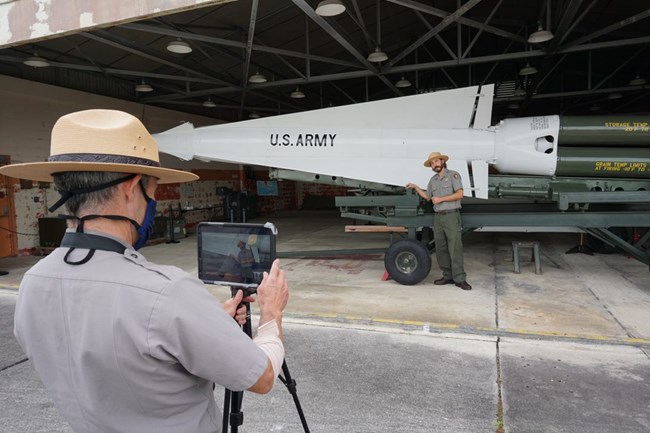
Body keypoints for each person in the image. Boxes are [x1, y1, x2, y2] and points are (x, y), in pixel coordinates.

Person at [0, 109, 289, 433]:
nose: (155, 201)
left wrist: (204, 324)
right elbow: (262, 378)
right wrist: (270, 316)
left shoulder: (32, 284)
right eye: (153, 190)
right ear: (130, 188)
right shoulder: (167, 293)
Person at [406, 151, 472, 291]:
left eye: (436, 161)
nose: (434, 164)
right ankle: (447, 276)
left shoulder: (453, 175)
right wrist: (416, 187)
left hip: (451, 216)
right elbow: (428, 197)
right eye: (432, 163)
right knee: (441, 248)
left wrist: (441, 199)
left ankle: (460, 279)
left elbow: (460, 194)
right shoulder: (433, 180)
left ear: (442, 161)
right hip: (438, 217)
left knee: (454, 247)